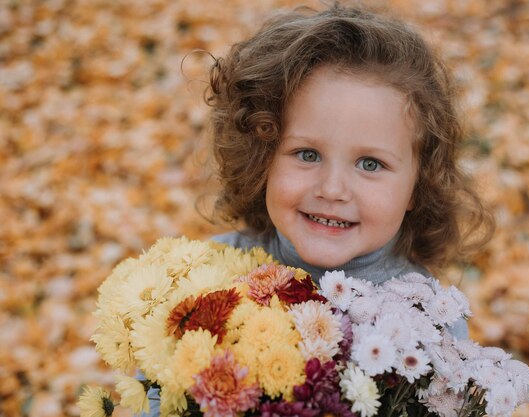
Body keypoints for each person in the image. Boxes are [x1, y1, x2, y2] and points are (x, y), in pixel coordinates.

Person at [142, 3, 493, 416]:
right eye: (306, 154)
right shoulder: (206, 278)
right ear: (262, 157)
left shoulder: (430, 319)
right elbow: (157, 393)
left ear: (419, 183)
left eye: (370, 164)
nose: (332, 189)